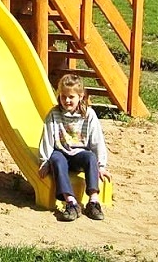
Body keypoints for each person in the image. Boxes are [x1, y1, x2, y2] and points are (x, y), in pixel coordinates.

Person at [39, 74, 111, 221]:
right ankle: (71, 202)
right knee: (56, 160)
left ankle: (93, 201)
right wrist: (44, 161)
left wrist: (101, 166)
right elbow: (47, 138)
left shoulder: (88, 115)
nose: (67, 100)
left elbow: (97, 141)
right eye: (63, 96)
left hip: (79, 155)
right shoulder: (54, 114)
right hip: (60, 152)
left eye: (71, 97)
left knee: (90, 157)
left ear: (81, 96)